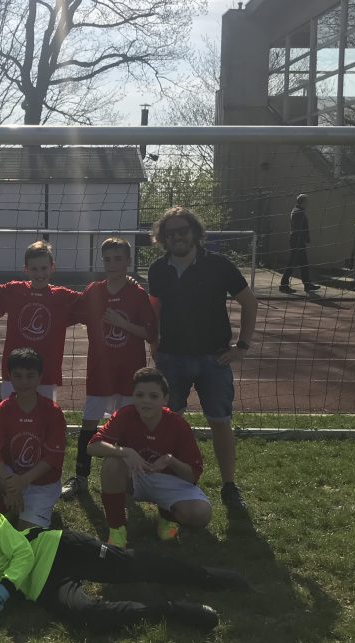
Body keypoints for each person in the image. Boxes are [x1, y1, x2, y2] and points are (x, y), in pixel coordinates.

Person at [0, 475, 248, 631]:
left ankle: (209, 578)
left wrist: (1, 592)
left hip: (55, 548)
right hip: (39, 587)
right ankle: (171, 610)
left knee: (130, 567)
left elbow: (21, 553)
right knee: (90, 619)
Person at [147, 207, 258, 511]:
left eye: (182, 230)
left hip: (214, 359)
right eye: (170, 233)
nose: (177, 237)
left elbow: (249, 302)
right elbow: (153, 309)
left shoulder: (219, 266)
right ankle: (168, 481)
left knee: (220, 422)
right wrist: (154, 343)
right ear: (163, 239)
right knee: (169, 422)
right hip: (172, 358)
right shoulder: (158, 270)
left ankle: (229, 486)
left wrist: (242, 346)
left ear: (195, 232)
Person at [61, 237, 156, 500]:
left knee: (127, 425)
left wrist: (121, 323)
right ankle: (80, 477)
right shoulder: (94, 291)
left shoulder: (137, 294)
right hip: (100, 371)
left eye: (118, 259)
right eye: (107, 259)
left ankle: (129, 478)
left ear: (128, 261)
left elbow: (149, 333)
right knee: (89, 423)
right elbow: (70, 313)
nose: (112, 264)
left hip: (130, 372)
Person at [86, 368, 211, 547]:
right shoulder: (125, 415)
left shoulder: (178, 425)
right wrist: (126, 452)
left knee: (201, 514)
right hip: (135, 476)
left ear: (165, 399)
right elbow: (92, 447)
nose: (145, 401)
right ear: (133, 396)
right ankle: (117, 529)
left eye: (153, 396)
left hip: (168, 480)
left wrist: (170, 460)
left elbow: (192, 476)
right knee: (112, 462)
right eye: (140, 395)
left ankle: (167, 516)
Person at [0, 347, 66, 529]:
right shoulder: (4, 409)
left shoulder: (52, 412)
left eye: (30, 376)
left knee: (27, 536)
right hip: (10, 474)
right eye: (18, 375)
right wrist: (10, 484)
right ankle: (3, 512)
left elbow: (52, 459)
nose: (24, 382)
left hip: (40, 481)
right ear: (10, 377)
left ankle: (26, 510)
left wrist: (23, 481)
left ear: (40, 377)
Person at [0, 240, 79, 401]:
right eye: (34, 269)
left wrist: (125, 281)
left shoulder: (63, 296)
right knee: (10, 414)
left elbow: (92, 300)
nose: (39, 273)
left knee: (45, 417)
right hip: (14, 372)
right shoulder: (14, 290)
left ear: (52, 267)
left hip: (46, 372)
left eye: (43, 268)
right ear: (26, 270)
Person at [279, 194, 319, 294]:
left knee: (304, 264)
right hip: (297, 241)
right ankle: (283, 285)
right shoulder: (298, 212)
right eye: (306, 201)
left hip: (298, 241)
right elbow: (300, 228)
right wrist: (304, 239)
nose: (308, 203)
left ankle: (307, 284)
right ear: (303, 202)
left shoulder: (297, 211)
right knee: (292, 263)